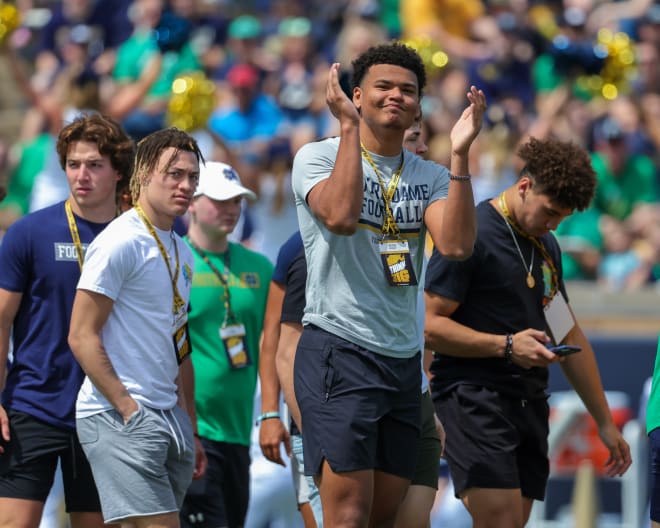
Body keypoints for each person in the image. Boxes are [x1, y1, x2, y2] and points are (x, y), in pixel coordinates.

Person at [291, 42, 486, 527]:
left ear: (419, 104)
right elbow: (337, 216)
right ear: (356, 96)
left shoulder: (433, 175)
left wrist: (460, 155)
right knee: (348, 515)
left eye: (408, 90)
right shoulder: (316, 157)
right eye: (383, 87)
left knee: (383, 517)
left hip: (401, 363)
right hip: (340, 349)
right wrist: (350, 131)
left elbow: (458, 245)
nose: (396, 96)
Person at [424, 136, 633, 527]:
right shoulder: (472, 233)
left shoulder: (547, 247)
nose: (553, 225)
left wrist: (604, 422)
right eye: (550, 212)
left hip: (529, 404)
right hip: (474, 398)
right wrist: (505, 346)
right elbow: (428, 326)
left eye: (562, 218)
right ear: (524, 187)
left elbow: (568, 336)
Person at [68, 127, 207, 527]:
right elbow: (80, 334)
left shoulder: (181, 249)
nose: (185, 185)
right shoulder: (120, 240)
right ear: (144, 174)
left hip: (168, 416)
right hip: (118, 414)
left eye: (192, 177)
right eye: (174, 174)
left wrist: (189, 426)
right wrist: (129, 409)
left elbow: (179, 344)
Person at [0, 113, 134, 528]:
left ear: (117, 171)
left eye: (94, 165)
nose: (82, 175)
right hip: (32, 404)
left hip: (104, 409)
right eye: (74, 164)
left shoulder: (136, 238)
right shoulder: (29, 233)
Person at [179, 161, 273, 528]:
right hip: (194, 432)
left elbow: (276, 342)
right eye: (220, 200)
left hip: (241, 432)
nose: (231, 210)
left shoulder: (260, 268)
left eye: (237, 201)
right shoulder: (175, 262)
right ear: (192, 202)